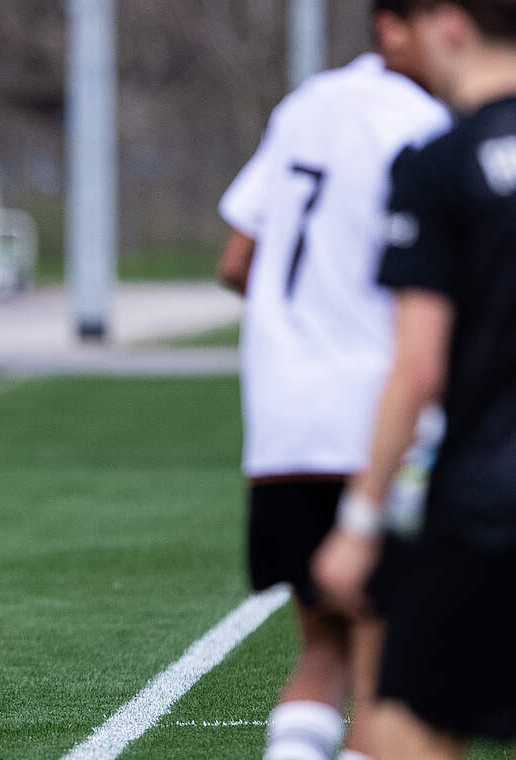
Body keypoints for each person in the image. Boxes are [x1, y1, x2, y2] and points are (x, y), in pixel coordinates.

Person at [215, 4, 450, 758]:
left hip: (283, 425)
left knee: (322, 653)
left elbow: (236, 261)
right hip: (375, 421)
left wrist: (308, 317)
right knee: (390, 670)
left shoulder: (305, 105)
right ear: (392, 27)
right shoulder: (423, 124)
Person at [314, 1, 516, 757]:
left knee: (404, 722)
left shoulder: (439, 164)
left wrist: (360, 521)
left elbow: (418, 365)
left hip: (486, 504)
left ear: (451, 27)